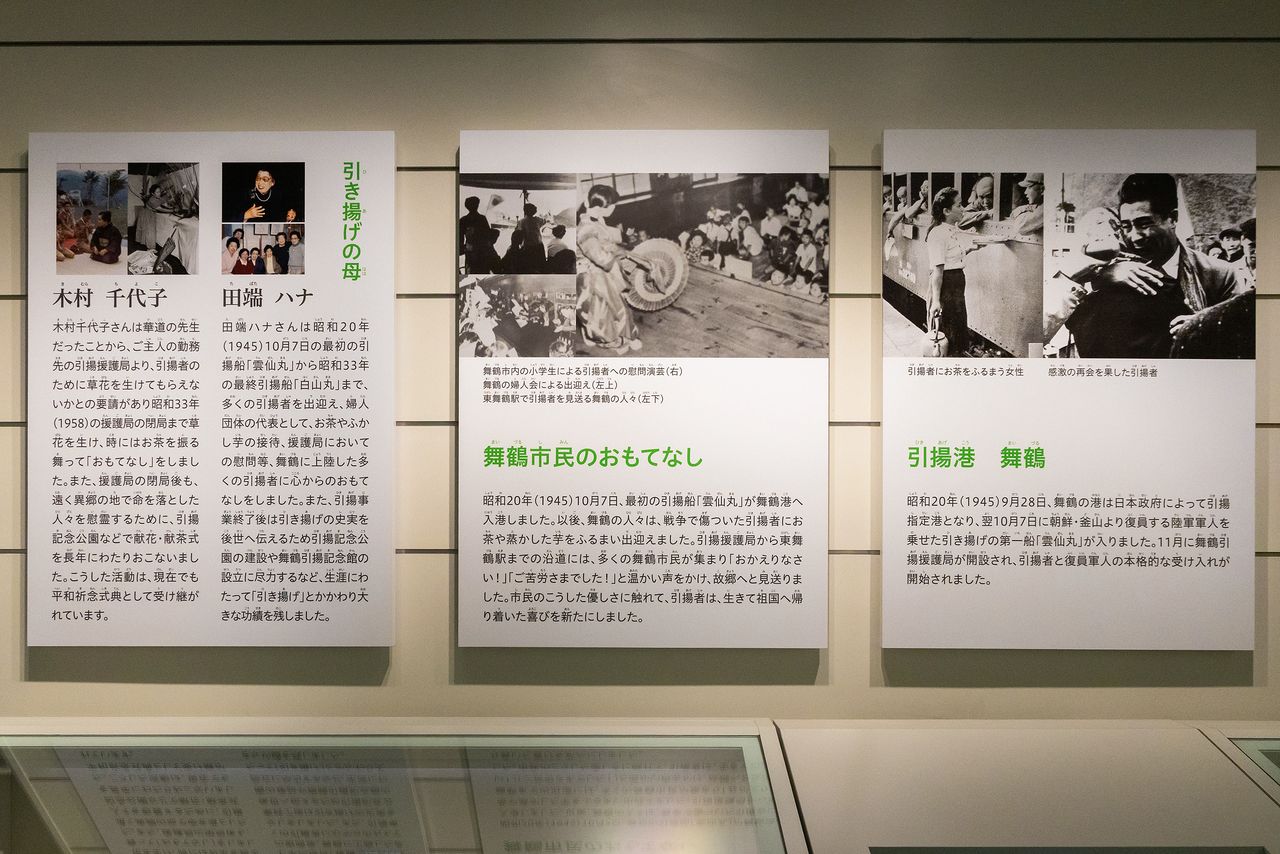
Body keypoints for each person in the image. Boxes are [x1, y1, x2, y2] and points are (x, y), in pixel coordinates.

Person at [1065, 173, 1251, 358]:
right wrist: (1105, 272)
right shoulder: (1110, 266)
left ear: (1173, 218)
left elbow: (1240, 339)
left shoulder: (1219, 274)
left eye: (1144, 224)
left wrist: (1201, 327)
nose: (1134, 237)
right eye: (1126, 226)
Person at [926, 187, 992, 356]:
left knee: (958, 326)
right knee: (951, 330)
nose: (963, 208)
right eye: (959, 205)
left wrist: (971, 248)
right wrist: (935, 301)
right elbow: (938, 271)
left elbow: (951, 258)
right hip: (947, 284)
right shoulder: (937, 234)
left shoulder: (949, 230)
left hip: (955, 283)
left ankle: (956, 356)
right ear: (947, 211)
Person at [576, 183, 641, 354]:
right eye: (612, 206)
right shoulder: (584, 229)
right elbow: (598, 255)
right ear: (609, 208)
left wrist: (623, 237)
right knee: (601, 312)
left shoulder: (595, 219)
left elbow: (605, 234)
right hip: (593, 275)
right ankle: (612, 340)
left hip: (605, 271)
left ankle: (628, 336)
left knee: (618, 305)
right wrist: (618, 258)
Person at [459, 195, 495, 274]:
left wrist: (464, 248)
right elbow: (488, 236)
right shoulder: (482, 219)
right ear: (477, 205)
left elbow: (460, 240)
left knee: (471, 275)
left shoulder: (463, 220)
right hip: (482, 253)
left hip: (470, 253)